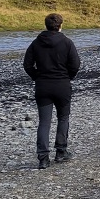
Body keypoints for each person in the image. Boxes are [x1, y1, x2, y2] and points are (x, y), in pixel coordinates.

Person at [23, 12, 81, 170]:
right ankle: (61, 152)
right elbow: (75, 64)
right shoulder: (67, 42)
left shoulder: (36, 43)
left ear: (46, 25)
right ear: (60, 25)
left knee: (44, 122)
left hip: (43, 85)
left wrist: (37, 77)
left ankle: (43, 158)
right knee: (63, 118)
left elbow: (27, 64)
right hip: (62, 85)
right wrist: (68, 76)